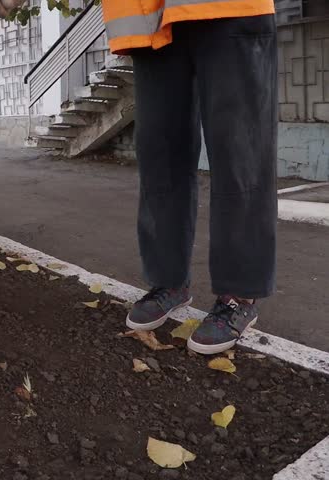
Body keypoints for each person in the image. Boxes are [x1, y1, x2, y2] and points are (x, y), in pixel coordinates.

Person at [104, 0, 277, 355]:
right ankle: (169, 282)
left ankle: (239, 294)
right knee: (159, 154)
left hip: (230, 9)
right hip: (147, 18)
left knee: (239, 151)